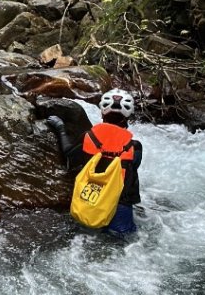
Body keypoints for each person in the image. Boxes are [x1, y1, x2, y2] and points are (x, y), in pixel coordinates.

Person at [47, 88, 142, 236]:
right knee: (120, 243)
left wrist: (60, 128)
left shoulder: (88, 137)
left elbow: (69, 156)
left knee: (84, 236)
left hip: (89, 200)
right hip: (119, 205)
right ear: (128, 116)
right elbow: (132, 170)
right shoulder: (134, 147)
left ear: (102, 112)